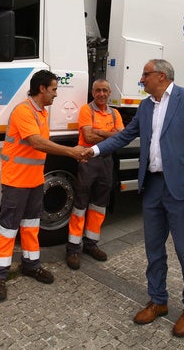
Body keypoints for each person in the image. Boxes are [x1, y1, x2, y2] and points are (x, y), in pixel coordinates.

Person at [85, 59, 184, 338]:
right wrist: (95, 150)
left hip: (182, 189)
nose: (141, 80)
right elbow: (124, 136)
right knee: (153, 250)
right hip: (154, 186)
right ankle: (158, 300)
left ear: (161, 76)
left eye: (145, 75)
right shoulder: (146, 106)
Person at [0, 70, 88, 302]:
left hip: (34, 180)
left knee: (32, 225)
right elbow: (36, 142)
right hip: (16, 181)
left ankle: (31, 265)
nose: (56, 94)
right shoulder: (24, 111)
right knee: (8, 227)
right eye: (53, 89)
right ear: (41, 89)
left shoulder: (41, 113)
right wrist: (70, 152)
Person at [66, 79, 124, 270]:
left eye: (105, 90)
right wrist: (110, 134)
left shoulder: (115, 113)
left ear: (109, 93)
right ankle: (73, 248)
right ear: (92, 92)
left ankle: (91, 244)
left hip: (106, 161)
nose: (101, 94)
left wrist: (99, 131)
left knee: (99, 205)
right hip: (88, 159)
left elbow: (122, 138)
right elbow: (88, 137)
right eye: (98, 90)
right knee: (81, 204)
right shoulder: (86, 110)